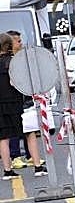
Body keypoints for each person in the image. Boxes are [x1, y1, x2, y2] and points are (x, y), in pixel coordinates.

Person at [0, 32, 46, 179]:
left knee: (3, 138)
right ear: (9, 45)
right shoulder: (14, 62)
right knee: (29, 133)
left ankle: (7, 170)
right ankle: (38, 166)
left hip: (1, 104)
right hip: (16, 102)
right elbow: (16, 83)